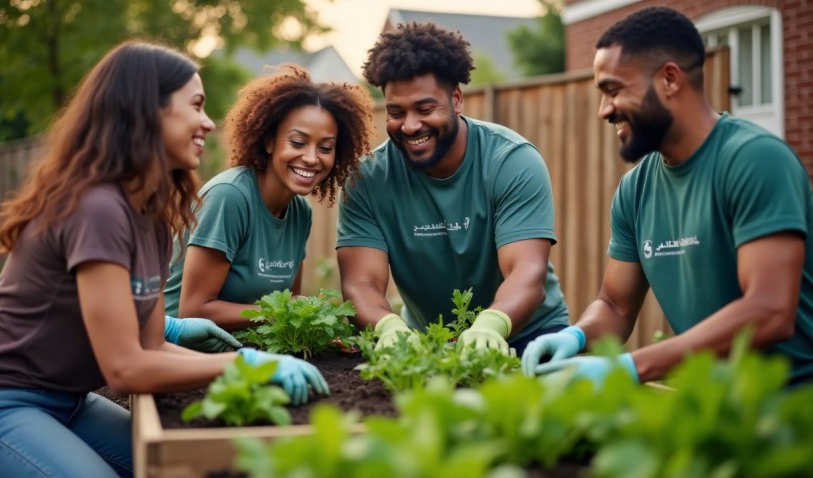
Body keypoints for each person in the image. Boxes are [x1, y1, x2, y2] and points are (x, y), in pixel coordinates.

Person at [0, 41, 329, 478]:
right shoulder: (96, 207)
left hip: (70, 399)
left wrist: (245, 366)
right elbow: (125, 370)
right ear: (146, 112)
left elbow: (151, 344)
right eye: (195, 106)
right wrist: (247, 366)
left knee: (189, 465)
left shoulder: (152, 216)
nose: (208, 123)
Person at [522, 6, 813, 387]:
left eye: (613, 90)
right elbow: (615, 305)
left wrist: (631, 367)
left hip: (792, 411)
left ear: (670, 79)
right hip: (710, 407)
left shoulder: (754, 160)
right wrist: (574, 336)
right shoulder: (635, 189)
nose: (603, 110)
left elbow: (770, 311)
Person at [336, 22, 570, 355]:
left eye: (425, 108)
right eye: (396, 112)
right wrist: (387, 327)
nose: (411, 125)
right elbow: (362, 282)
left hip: (526, 334)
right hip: (424, 344)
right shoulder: (367, 180)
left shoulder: (510, 161)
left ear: (456, 99)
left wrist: (492, 325)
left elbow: (526, 272)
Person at [164, 64, 373, 330]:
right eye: (297, 143)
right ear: (269, 142)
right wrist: (286, 311)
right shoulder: (229, 197)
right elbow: (194, 311)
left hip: (247, 347)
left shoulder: (299, 212)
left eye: (325, 147)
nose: (311, 158)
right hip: (182, 351)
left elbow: (288, 300)